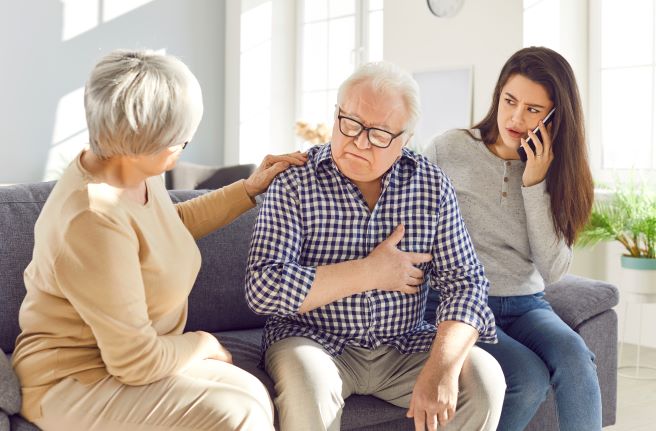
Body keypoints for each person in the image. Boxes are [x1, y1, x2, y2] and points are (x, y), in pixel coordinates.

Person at [12, 49, 306, 431]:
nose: (183, 150)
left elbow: (167, 224)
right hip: (73, 378)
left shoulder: (127, 165)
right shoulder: (92, 219)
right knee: (238, 413)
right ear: (149, 141)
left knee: (250, 395)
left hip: (128, 361)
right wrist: (204, 343)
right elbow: (135, 361)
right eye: (181, 142)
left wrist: (248, 190)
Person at [245, 61, 505, 431]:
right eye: (349, 123)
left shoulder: (430, 185)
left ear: (404, 140)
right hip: (313, 341)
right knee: (310, 385)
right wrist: (368, 272)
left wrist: (442, 367)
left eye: (379, 134)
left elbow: (466, 284)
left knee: (484, 379)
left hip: (405, 343)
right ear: (335, 115)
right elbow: (263, 289)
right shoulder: (294, 181)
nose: (358, 141)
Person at [423, 46, 600, 431]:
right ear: (497, 95)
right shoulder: (448, 149)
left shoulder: (559, 172)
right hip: (459, 301)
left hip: (526, 304)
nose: (516, 118)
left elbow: (553, 270)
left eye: (534, 110)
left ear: (555, 117)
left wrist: (535, 182)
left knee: (576, 357)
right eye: (510, 101)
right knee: (529, 378)